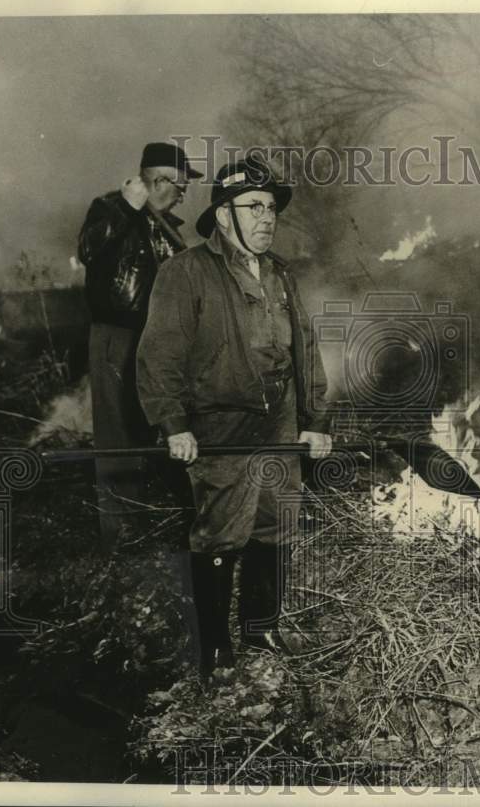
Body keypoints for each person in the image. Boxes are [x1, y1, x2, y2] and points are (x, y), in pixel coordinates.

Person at [136, 156, 332, 676]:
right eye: (254, 207)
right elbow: (160, 355)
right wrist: (173, 424)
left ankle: (261, 629)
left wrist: (315, 421)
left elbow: (306, 351)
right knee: (222, 532)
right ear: (224, 215)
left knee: (275, 524)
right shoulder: (186, 273)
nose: (267, 218)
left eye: (272, 208)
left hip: (279, 419)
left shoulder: (283, 275)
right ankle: (217, 647)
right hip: (220, 421)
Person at [77, 142, 202, 549]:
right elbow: (89, 250)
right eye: (179, 186)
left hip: (159, 338)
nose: (183, 194)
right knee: (119, 434)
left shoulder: (169, 230)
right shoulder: (111, 208)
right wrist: (127, 209)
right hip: (119, 334)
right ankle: (121, 535)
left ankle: (160, 520)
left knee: (164, 422)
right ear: (158, 180)